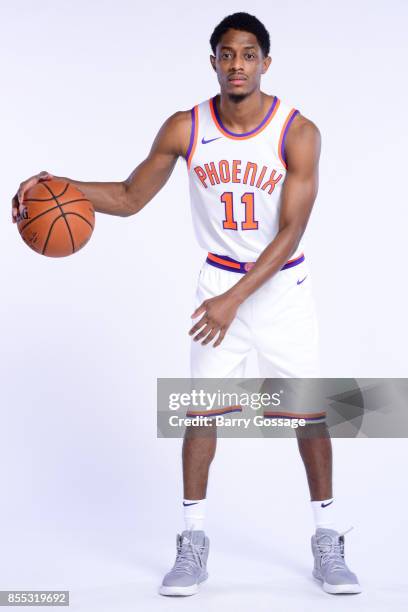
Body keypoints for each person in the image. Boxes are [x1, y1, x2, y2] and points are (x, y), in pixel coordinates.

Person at [12, 11, 361, 598]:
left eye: (249, 54)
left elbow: (291, 233)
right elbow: (126, 197)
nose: (237, 65)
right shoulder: (186, 127)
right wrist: (57, 186)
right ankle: (193, 541)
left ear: (266, 63)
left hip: (279, 290)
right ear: (213, 63)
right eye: (227, 54)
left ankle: (327, 538)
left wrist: (234, 300)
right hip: (217, 289)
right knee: (202, 416)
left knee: (307, 415)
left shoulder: (298, 132)